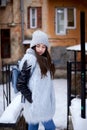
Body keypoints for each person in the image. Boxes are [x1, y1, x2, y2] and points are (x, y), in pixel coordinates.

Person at [17, 30, 56, 130]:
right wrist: (33, 100)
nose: (40, 49)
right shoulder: (30, 59)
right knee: (50, 127)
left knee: (33, 126)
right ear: (33, 46)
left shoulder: (45, 60)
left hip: (43, 103)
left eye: (43, 47)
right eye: (38, 46)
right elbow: (20, 84)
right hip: (36, 104)